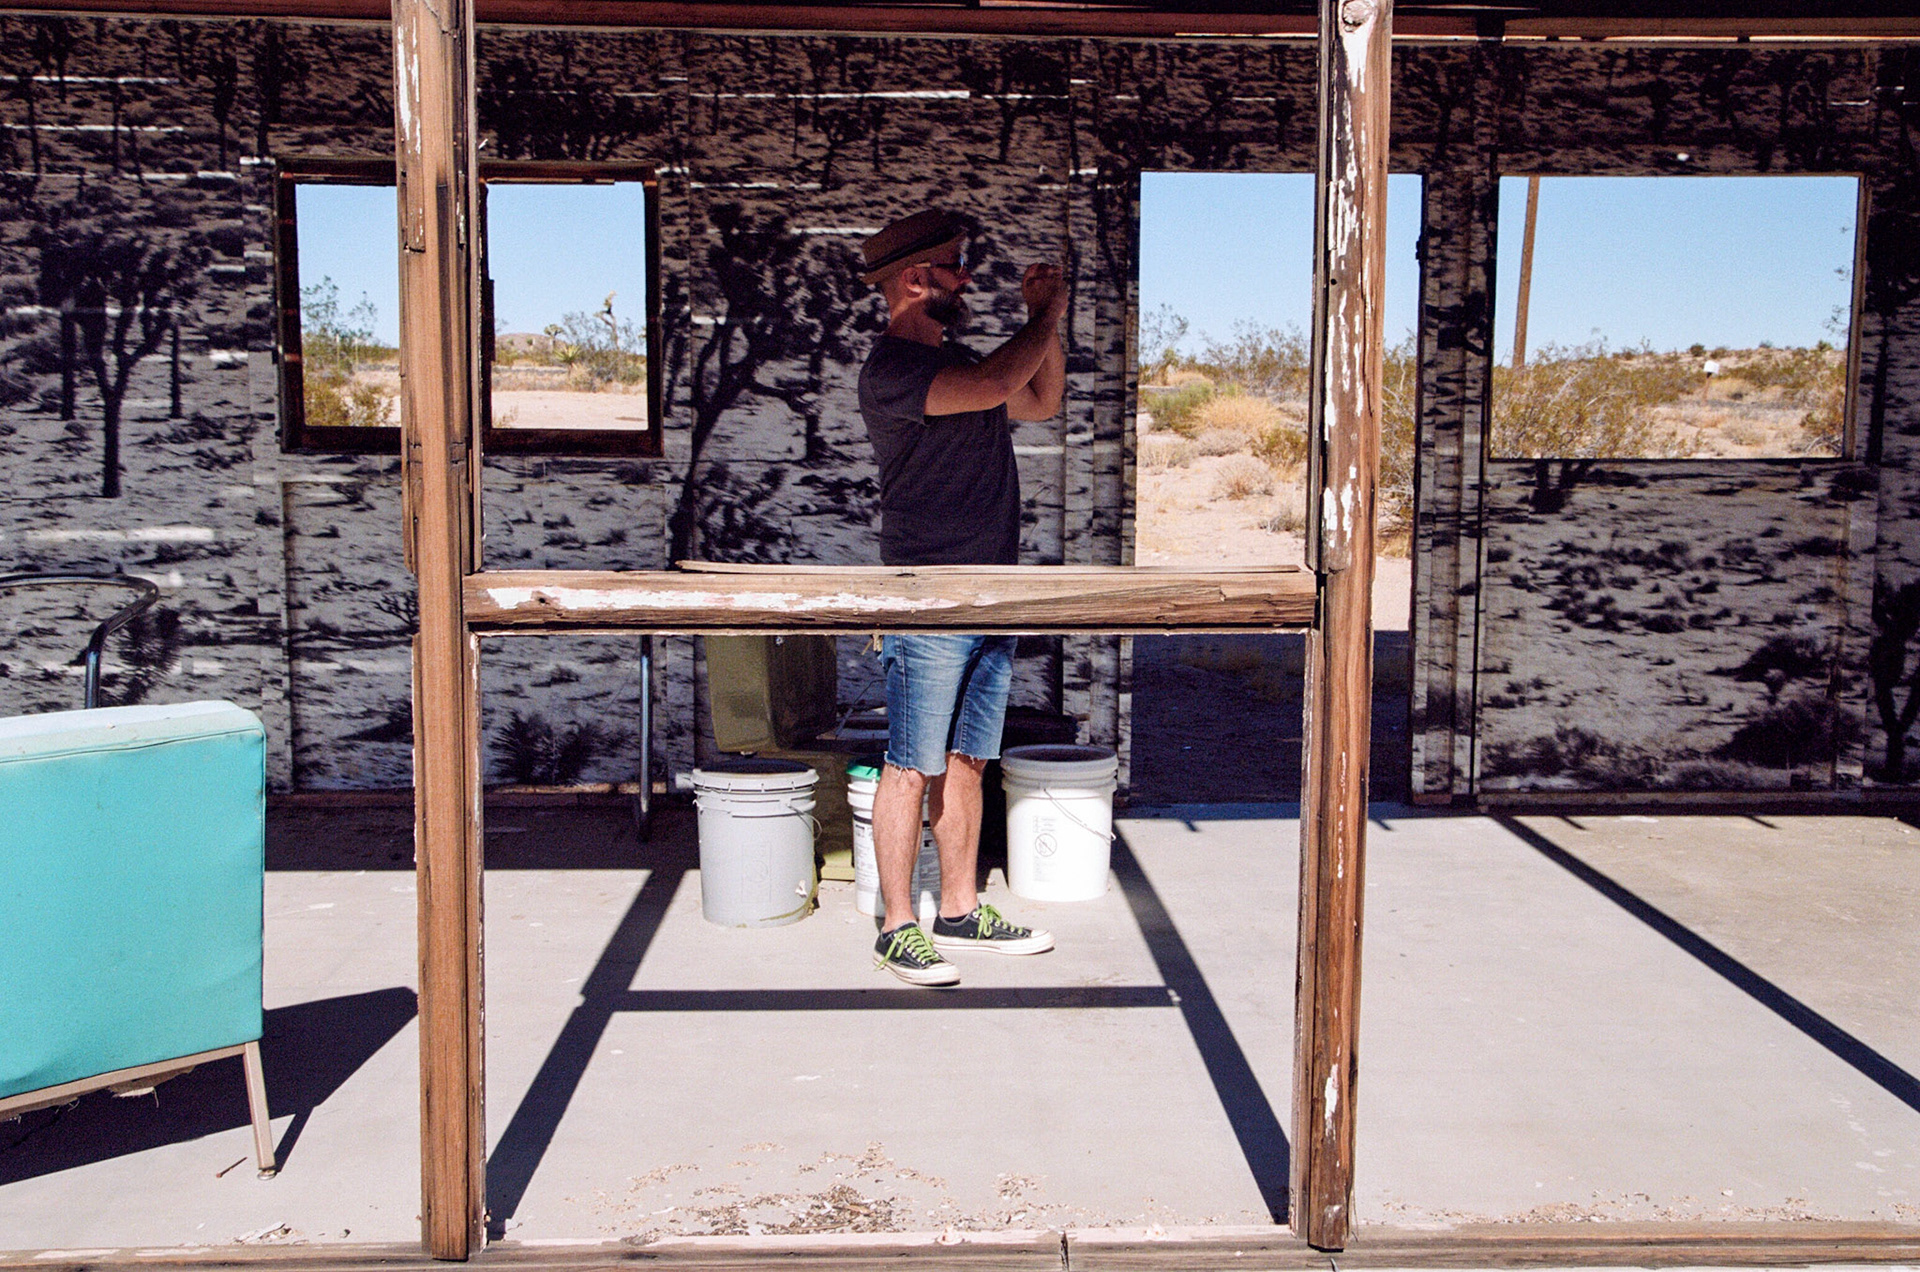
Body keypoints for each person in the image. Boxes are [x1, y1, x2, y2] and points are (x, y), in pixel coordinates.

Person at [855, 208, 1067, 987]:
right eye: (954, 266)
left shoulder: (967, 366)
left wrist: (1049, 320)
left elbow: (1038, 397)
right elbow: (1001, 381)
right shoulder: (897, 372)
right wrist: (1043, 312)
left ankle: (958, 909)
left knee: (967, 762)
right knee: (909, 766)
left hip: (991, 595)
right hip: (930, 599)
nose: (967, 277)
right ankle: (895, 927)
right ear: (917, 281)